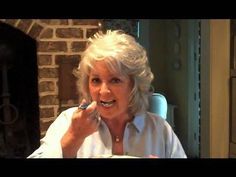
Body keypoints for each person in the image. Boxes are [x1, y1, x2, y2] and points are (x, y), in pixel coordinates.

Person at [28, 30, 187, 158]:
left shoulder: (159, 130)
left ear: (134, 85)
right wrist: (73, 138)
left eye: (115, 80)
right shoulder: (68, 122)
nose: (103, 91)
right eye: (96, 80)